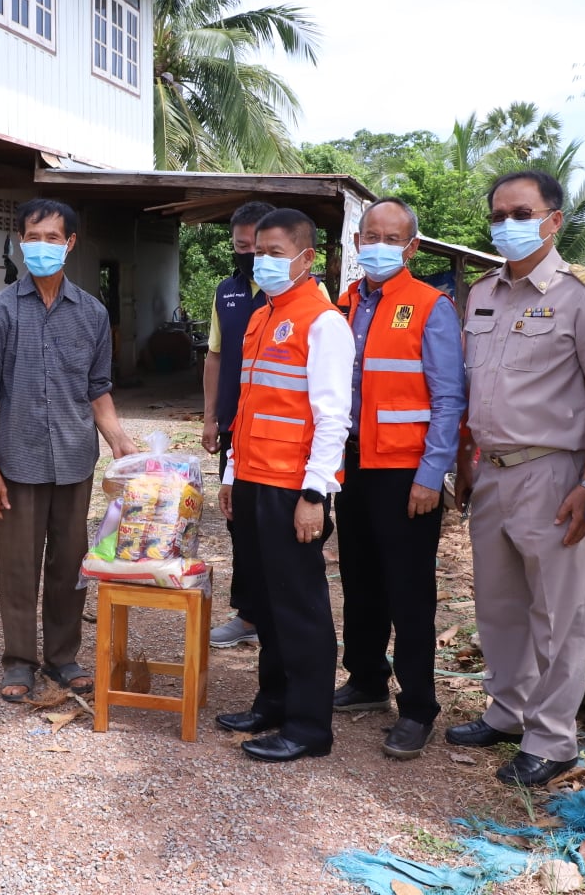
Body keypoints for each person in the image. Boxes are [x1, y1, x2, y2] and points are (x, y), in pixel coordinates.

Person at [450, 170, 585, 787]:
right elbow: (473, 388)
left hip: (554, 472)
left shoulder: (584, 294)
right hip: (491, 471)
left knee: (556, 611)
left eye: (521, 213)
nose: (507, 225)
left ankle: (552, 739)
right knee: (498, 604)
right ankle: (507, 711)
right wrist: (465, 461)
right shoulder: (482, 292)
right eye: (498, 214)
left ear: (554, 220)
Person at [0, 198, 135, 703]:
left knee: (69, 565)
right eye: (33, 237)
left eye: (52, 238)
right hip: (17, 462)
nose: (42, 246)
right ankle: (19, 661)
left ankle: (63, 657)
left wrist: (124, 446)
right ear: (21, 242)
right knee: (18, 568)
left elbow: (98, 390)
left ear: (70, 243)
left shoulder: (92, 313)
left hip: (74, 460)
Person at [215, 208, 354, 762]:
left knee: (299, 608)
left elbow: (332, 418)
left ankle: (308, 726)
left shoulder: (323, 322)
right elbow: (250, 405)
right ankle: (271, 703)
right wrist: (232, 473)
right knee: (265, 604)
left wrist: (315, 495)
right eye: (258, 252)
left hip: (292, 489)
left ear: (306, 257)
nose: (263, 262)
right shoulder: (261, 316)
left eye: (275, 253)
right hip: (252, 480)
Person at [333, 198, 466, 760]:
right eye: (372, 236)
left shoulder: (431, 306)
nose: (380, 246)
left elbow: (449, 397)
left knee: (409, 591)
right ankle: (366, 679)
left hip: (406, 473)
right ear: (357, 242)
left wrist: (432, 475)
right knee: (359, 578)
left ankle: (417, 707)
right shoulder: (343, 304)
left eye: (393, 239)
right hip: (353, 465)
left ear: (411, 247)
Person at [200, 199, 274, 649]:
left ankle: (280, 616)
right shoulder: (226, 292)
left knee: (279, 524)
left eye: (255, 247)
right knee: (239, 520)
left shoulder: (302, 293)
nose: (247, 255)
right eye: (240, 246)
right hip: (235, 429)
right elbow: (215, 356)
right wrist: (211, 417)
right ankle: (248, 616)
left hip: (283, 435)